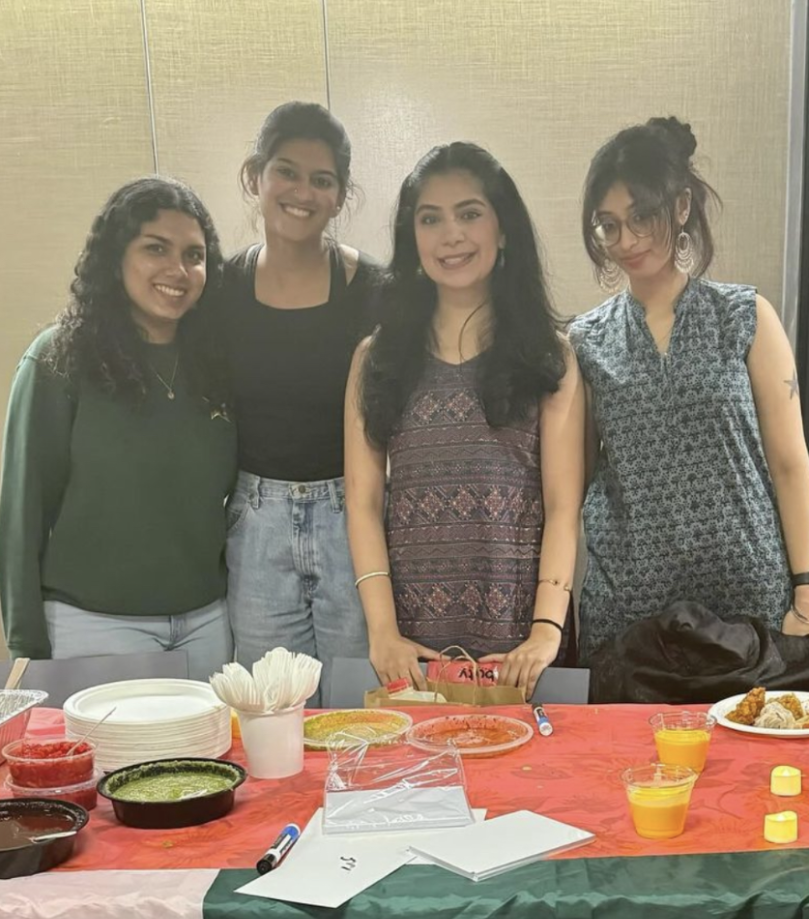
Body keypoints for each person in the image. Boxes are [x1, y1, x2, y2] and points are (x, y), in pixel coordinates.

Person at [345, 142, 585, 696]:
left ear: (503, 231)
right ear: (413, 238)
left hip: (521, 650)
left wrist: (545, 632)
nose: (451, 235)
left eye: (470, 214)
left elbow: (563, 506)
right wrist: (383, 633)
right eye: (430, 219)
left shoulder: (550, 358)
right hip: (413, 650)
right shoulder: (374, 359)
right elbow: (361, 503)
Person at [569, 116, 809, 663]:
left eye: (642, 217)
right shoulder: (586, 342)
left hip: (749, 598)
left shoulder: (745, 317)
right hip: (631, 611)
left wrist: (806, 585)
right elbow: (574, 483)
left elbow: (791, 463)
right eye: (608, 225)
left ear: (680, 208)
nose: (625, 240)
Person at [0, 177, 237, 680]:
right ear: (116, 255)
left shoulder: (215, 363)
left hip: (208, 623)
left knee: (207, 760)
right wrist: (25, 640)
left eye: (194, 256)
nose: (178, 270)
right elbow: (21, 509)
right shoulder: (59, 359)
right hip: (94, 627)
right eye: (156, 248)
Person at [221, 101, 380, 705]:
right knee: (269, 714)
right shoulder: (222, 289)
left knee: (362, 711)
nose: (302, 192)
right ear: (254, 177)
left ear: (340, 196)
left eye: (323, 179)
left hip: (354, 518)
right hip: (257, 521)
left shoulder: (375, 292)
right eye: (286, 171)